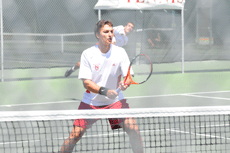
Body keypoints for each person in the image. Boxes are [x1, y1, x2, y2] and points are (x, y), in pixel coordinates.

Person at [60, 20, 143, 153]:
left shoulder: (120, 52)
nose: (110, 34)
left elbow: (128, 77)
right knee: (75, 135)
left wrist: (125, 83)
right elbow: (86, 83)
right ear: (98, 35)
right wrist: (105, 91)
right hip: (91, 101)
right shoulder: (88, 54)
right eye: (106, 32)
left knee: (134, 130)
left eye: (111, 31)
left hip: (115, 102)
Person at [64, 22, 135, 77]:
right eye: (129, 26)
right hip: (101, 48)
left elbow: (117, 48)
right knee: (84, 63)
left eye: (132, 27)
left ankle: (127, 73)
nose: (130, 28)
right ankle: (72, 69)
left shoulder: (126, 40)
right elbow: (111, 31)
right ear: (125, 26)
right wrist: (112, 40)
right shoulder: (120, 28)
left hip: (109, 54)